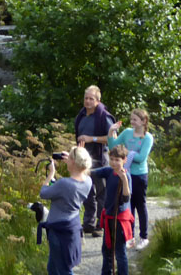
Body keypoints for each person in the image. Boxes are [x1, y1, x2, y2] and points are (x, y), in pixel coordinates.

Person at [38, 146, 93, 275]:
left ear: (73, 162)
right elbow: (82, 171)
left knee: (64, 270)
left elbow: (43, 193)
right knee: (52, 268)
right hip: (71, 228)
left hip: (58, 231)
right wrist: (72, 158)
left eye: (70, 159)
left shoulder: (64, 184)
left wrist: (51, 174)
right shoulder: (88, 181)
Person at [108, 108, 154, 250]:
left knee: (140, 205)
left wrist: (127, 154)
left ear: (143, 121)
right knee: (129, 206)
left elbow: (141, 158)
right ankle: (131, 237)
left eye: (135, 119)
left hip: (139, 175)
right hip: (126, 174)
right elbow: (113, 147)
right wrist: (111, 132)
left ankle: (144, 237)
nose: (131, 121)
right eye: (131, 118)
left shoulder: (147, 138)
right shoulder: (127, 132)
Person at [74, 85, 115, 236]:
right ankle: (88, 223)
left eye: (91, 98)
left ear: (98, 101)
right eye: (86, 98)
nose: (88, 101)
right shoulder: (81, 116)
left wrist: (91, 139)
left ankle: (101, 224)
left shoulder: (104, 116)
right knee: (87, 191)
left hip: (100, 158)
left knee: (101, 192)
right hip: (83, 158)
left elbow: (112, 138)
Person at [92, 144, 134, 275]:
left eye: (117, 160)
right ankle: (106, 272)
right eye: (112, 159)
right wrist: (77, 161)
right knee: (106, 249)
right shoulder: (109, 171)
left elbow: (126, 198)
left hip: (119, 219)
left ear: (124, 160)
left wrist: (124, 181)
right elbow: (91, 172)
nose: (114, 162)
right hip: (109, 216)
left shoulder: (126, 176)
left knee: (120, 252)